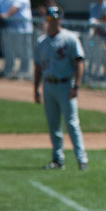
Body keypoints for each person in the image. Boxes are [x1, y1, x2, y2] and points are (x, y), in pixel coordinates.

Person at [34, 5, 89, 170]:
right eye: (50, 20)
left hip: (66, 85)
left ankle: (82, 160)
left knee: (72, 124)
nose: (53, 23)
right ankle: (58, 160)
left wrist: (76, 86)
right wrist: (36, 89)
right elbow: (37, 67)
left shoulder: (70, 38)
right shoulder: (41, 42)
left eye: (56, 20)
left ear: (60, 21)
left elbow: (79, 62)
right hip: (48, 86)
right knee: (53, 125)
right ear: (47, 21)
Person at [0, 0, 34, 78]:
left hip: (23, 30)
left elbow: (15, 7)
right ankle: (8, 70)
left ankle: (23, 72)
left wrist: (5, 15)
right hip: (9, 29)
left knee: (24, 52)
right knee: (9, 51)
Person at [88, 0, 106, 80]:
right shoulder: (93, 6)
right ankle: (91, 74)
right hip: (96, 39)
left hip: (103, 39)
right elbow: (92, 21)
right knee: (93, 56)